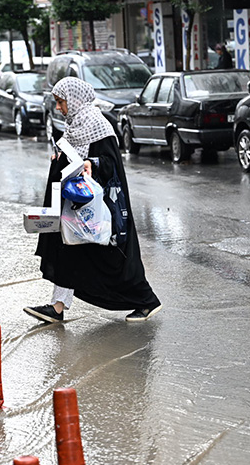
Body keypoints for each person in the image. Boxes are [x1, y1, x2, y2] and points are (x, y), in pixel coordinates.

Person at [24, 77, 163, 323]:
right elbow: (73, 156)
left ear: (75, 100)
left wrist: (93, 163)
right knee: (68, 251)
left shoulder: (99, 124)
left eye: (61, 102)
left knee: (112, 262)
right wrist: (60, 160)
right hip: (77, 207)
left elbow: (112, 164)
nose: (58, 108)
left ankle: (147, 301)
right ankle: (57, 308)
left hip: (100, 211)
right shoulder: (75, 125)